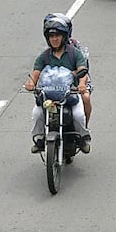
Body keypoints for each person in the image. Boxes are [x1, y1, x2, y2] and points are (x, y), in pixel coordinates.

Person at [23, 13, 90, 154]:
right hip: (48, 96)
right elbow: (35, 74)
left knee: (78, 115)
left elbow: (82, 71)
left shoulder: (74, 54)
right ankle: (40, 139)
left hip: (70, 94)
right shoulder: (44, 56)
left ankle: (82, 138)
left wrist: (82, 84)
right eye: (51, 36)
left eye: (57, 36)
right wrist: (30, 84)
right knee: (37, 114)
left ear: (64, 37)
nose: (54, 39)